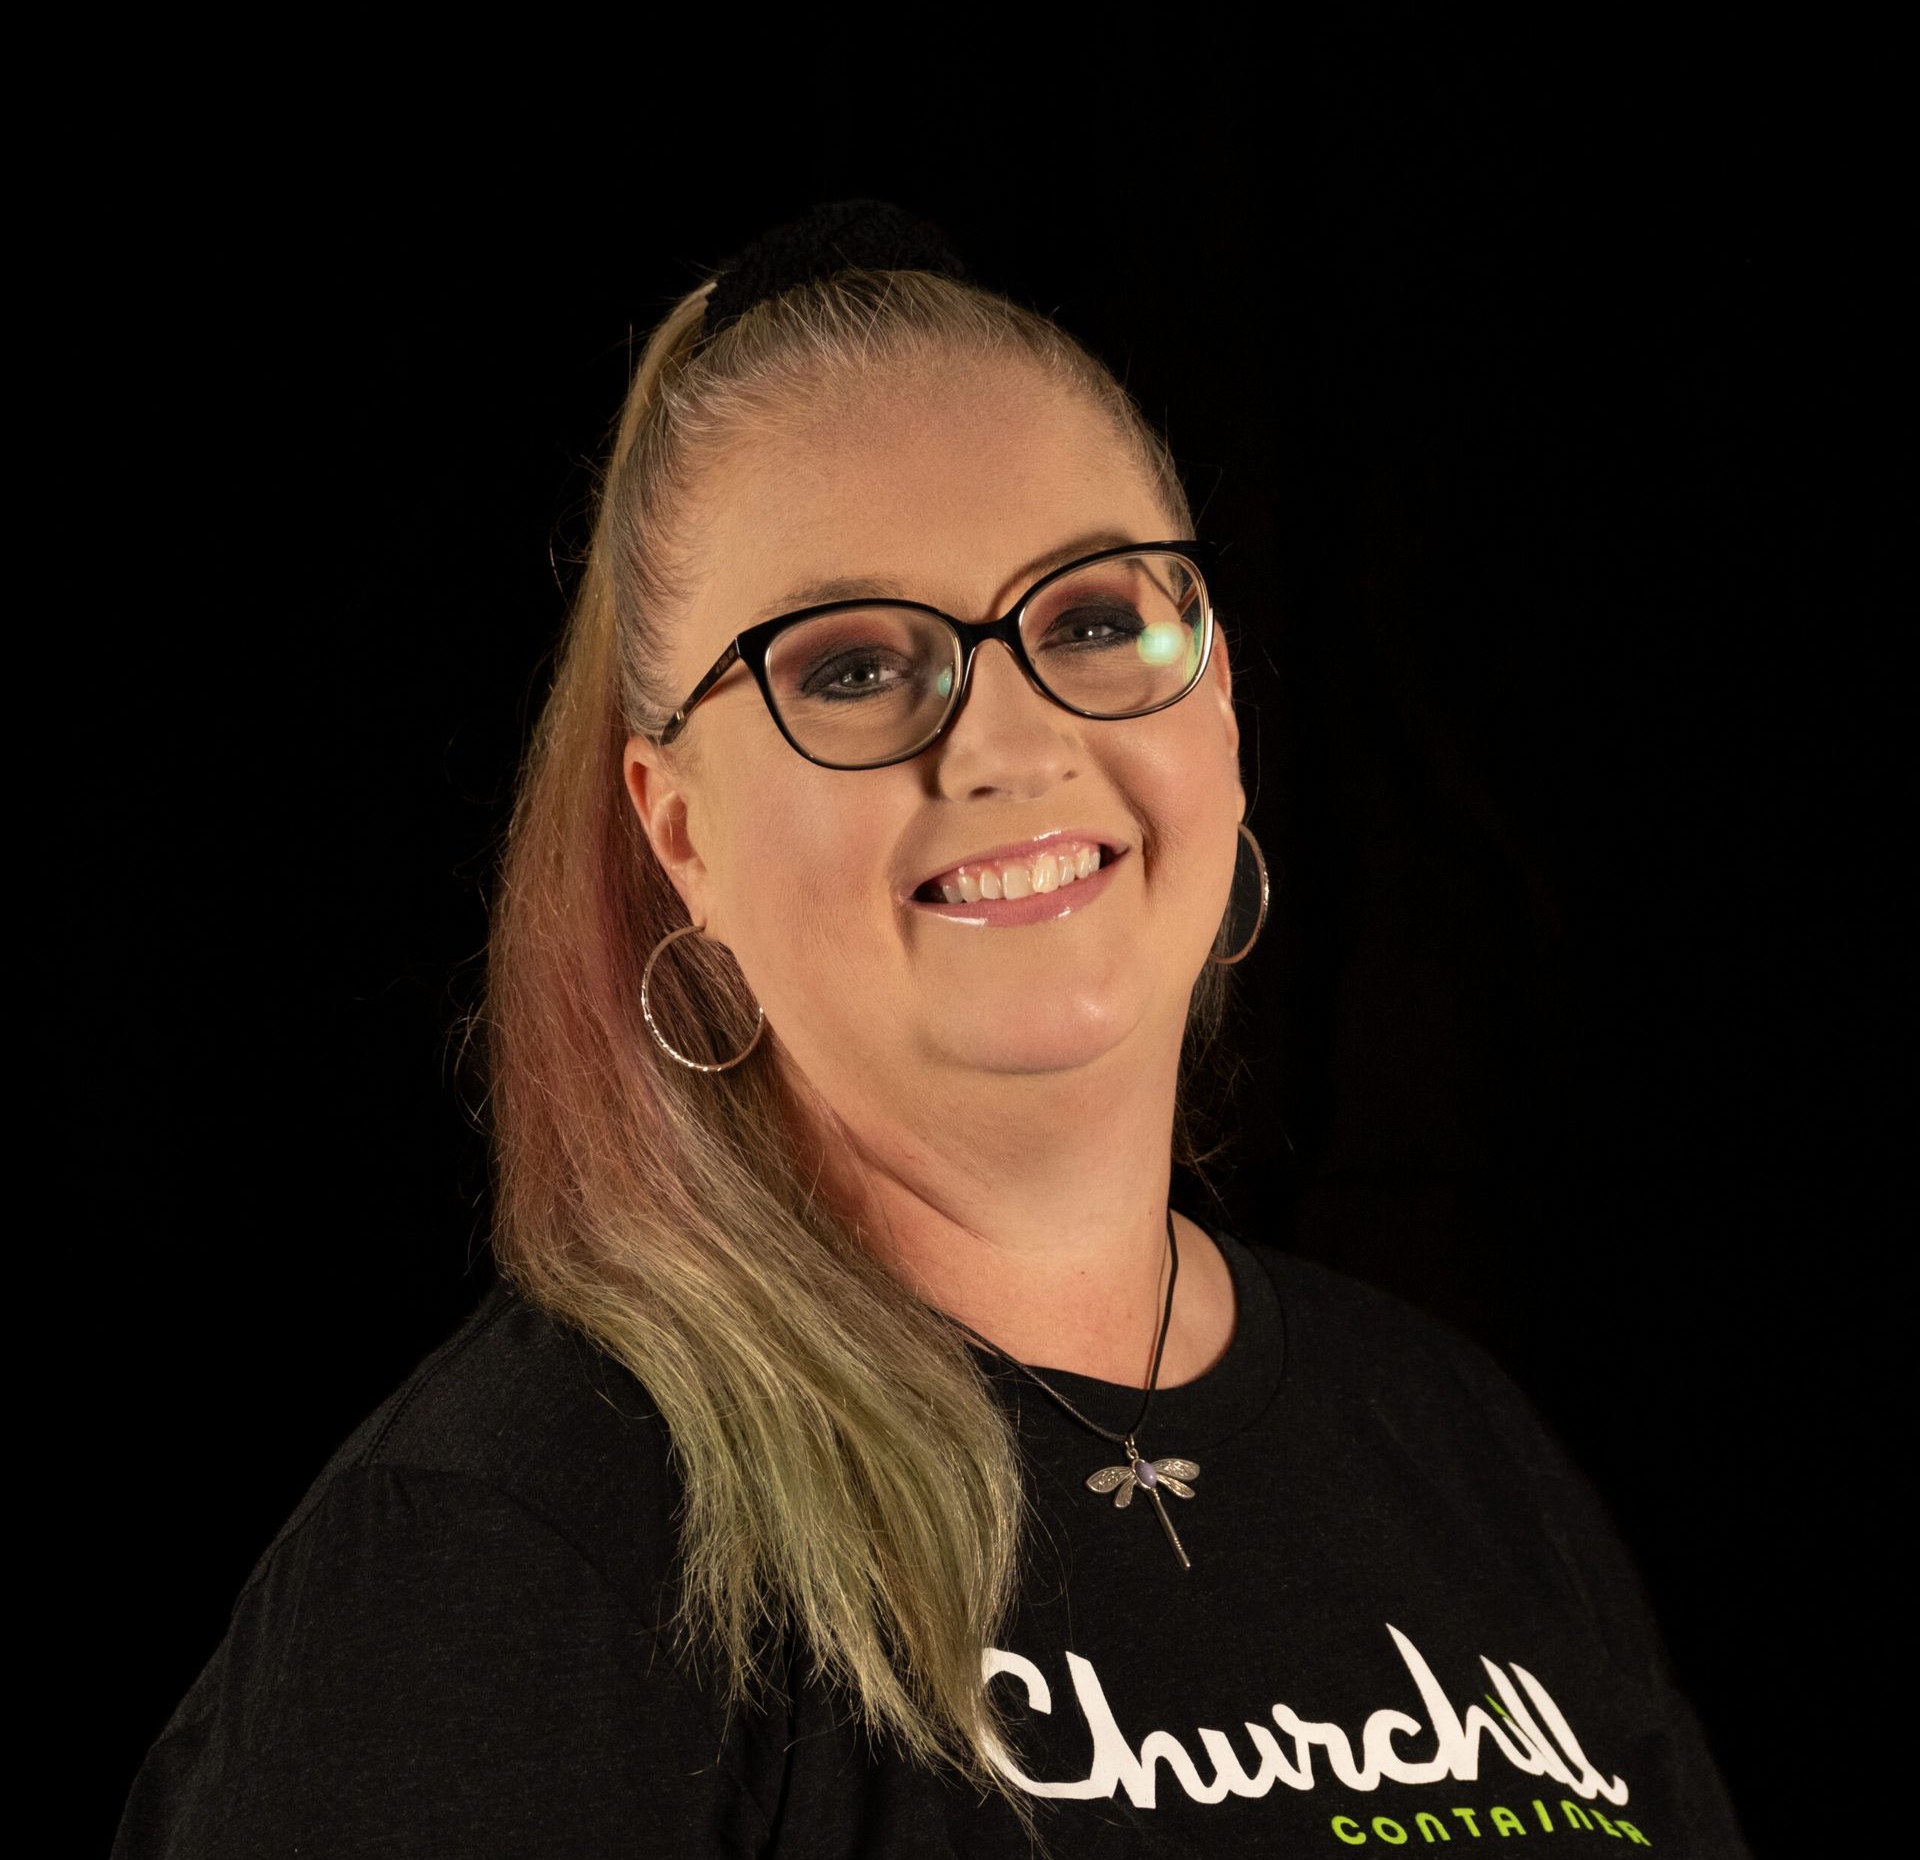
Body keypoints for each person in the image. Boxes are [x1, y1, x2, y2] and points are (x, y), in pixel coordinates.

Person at [113, 199, 1752, 1857]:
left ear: (1225, 706)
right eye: (849, 667)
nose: (1008, 742)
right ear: (677, 826)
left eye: (1096, 622)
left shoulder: (1454, 1452)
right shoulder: (512, 1552)